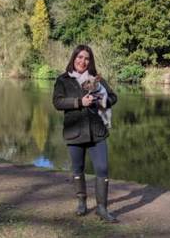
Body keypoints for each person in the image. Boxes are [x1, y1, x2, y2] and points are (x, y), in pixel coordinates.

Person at [52, 44, 118, 223]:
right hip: (75, 131)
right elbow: (57, 102)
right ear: (74, 58)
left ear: (90, 61)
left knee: (103, 168)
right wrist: (79, 102)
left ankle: (102, 208)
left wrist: (104, 102)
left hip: (97, 131)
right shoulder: (63, 80)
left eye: (87, 58)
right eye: (80, 57)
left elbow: (113, 97)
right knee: (77, 168)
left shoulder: (96, 79)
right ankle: (81, 202)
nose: (83, 61)